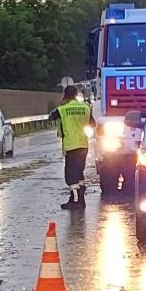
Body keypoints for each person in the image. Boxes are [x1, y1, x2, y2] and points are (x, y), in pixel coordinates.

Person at [54, 79, 93, 208]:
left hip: (71, 146)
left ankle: (76, 201)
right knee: (79, 172)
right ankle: (80, 199)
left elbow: (51, 117)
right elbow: (93, 124)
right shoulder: (85, 107)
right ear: (76, 95)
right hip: (83, 145)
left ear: (65, 96)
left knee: (70, 175)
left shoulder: (63, 109)